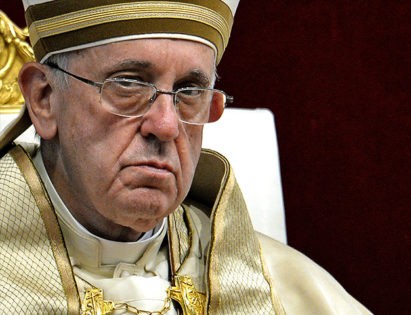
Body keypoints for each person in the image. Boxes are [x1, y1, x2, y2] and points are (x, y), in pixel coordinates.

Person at [0, 1, 372, 314]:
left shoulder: (282, 289)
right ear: (44, 99)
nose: (166, 125)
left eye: (190, 90)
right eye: (128, 82)